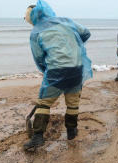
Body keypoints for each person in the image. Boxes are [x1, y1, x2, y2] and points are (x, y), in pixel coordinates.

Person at [23, 0, 93, 149]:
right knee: (73, 101)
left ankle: (37, 137)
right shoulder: (66, 21)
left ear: (34, 18)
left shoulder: (36, 32)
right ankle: (71, 131)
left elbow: (39, 58)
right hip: (77, 68)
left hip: (56, 71)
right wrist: (75, 45)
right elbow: (86, 33)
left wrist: (47, 72)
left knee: (44, 102)